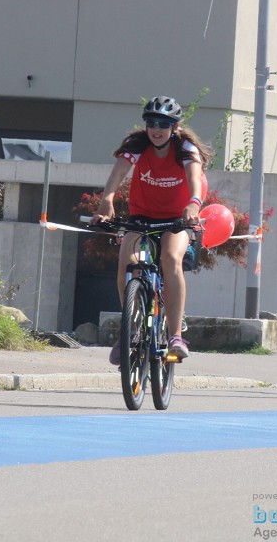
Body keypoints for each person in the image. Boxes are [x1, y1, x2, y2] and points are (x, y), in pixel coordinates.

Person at [92, 96, 212, 363]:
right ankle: (130, 330)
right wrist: (106, 201)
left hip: (177, 219)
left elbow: (195, 180)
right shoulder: (137, 145)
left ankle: (176, 336)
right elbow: (116, 176)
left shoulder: (185, 148)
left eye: (164, 124)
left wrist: (193, 205)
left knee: (171, 259)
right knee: (128, 262)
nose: (157, 129)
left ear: (175, 127)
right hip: (142, 216)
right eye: (152, 123)